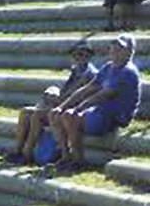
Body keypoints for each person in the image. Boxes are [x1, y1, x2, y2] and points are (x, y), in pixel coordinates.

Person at [56, 35, 142, 168]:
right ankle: (66, 157)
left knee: (70, 116)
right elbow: (89, 88)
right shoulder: (108, 67)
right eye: (113, 47)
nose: (114, 50)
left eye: (120, 48)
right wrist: (62, 106)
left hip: (115, 117)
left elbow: (103, 95)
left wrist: (78, 108)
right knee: (60, 114)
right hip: (101, 111)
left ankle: (78, 160)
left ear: (129, 52)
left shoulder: (127, 72)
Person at [6, 43, 95, 164]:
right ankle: (17, 150)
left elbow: (75, 96)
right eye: (75, 55)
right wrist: (53, 93)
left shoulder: (90, 74)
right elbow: (65, 93)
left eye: (81, 54)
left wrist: (56, 98)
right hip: (63, 104)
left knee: (38, 115)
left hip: (73, 110)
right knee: (25, 112)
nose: (77, 57)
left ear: (89, 56)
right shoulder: (76, 71)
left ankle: (27, 153)